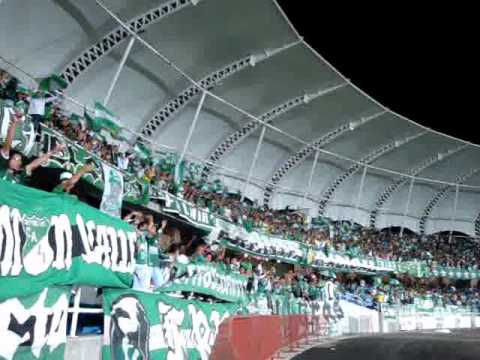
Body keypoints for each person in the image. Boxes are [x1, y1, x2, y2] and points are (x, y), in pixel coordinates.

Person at [1, 114, 65, 184]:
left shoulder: (20, 177)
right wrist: (14, 123)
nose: (12, 159)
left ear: (18, 167)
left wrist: (53, 151)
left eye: (16, 159)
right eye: (13, 158)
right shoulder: (2, 167)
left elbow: (35, 163)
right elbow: (7, 146)